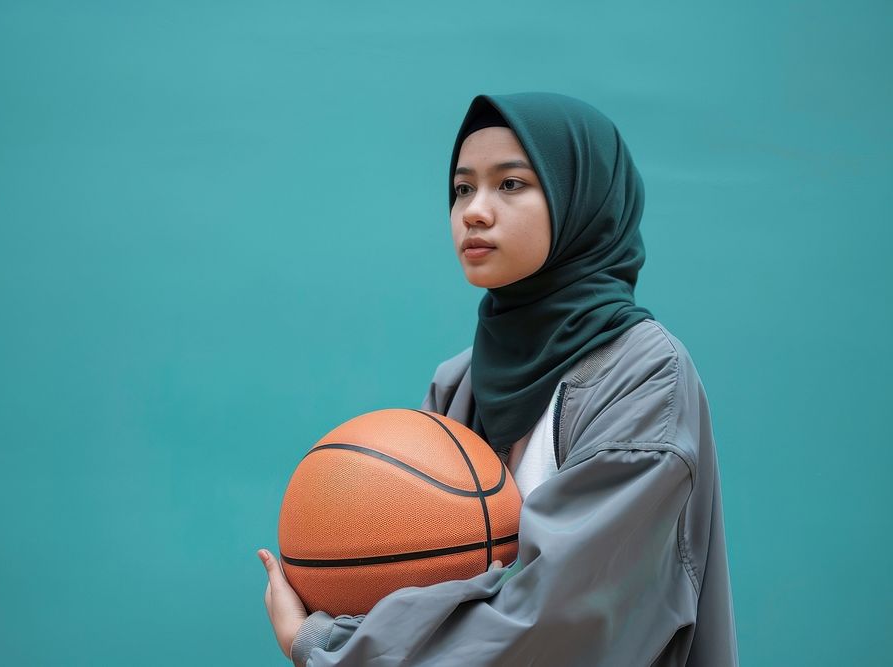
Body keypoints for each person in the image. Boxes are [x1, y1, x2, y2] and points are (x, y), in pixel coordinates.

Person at [257, 92, 739, 666]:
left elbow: (561, 619)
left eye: (510, 184)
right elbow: (415, 583)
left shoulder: (646, 378)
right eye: (463, 188)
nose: (474, 211)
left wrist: (330, 648)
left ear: (581, 199)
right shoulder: (460, 380)